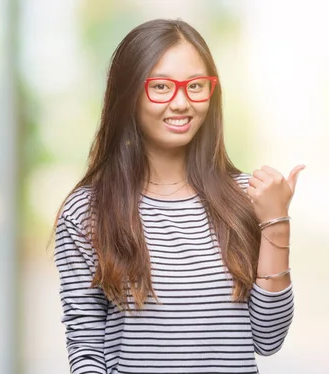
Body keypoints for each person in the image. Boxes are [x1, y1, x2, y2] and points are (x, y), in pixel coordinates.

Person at [53, 19, 304, 374]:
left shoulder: (246, 198)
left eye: (196, 85)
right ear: (129, 95)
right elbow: (86, 346)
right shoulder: (88, 210)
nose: (182, 102)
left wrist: (277, 224)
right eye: (161, 87)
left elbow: (268, 338)